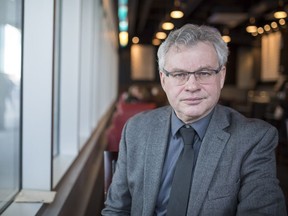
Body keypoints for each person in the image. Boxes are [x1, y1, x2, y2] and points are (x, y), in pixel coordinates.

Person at [101, 24, 287, 215]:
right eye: (179, 74)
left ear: (221, 77)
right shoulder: (136, 129)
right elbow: (117, 210)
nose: (192, 86)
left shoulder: (254, 139)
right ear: (164, 80)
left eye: (204, 73)